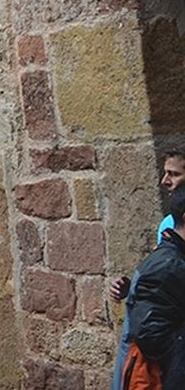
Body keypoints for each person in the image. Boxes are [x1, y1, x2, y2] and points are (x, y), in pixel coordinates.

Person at [110, 150, 185, 389]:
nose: (165, 181)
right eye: (166, 173)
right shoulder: (169, 227)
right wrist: (133, 285)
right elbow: (164, 283)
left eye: (174, 174)